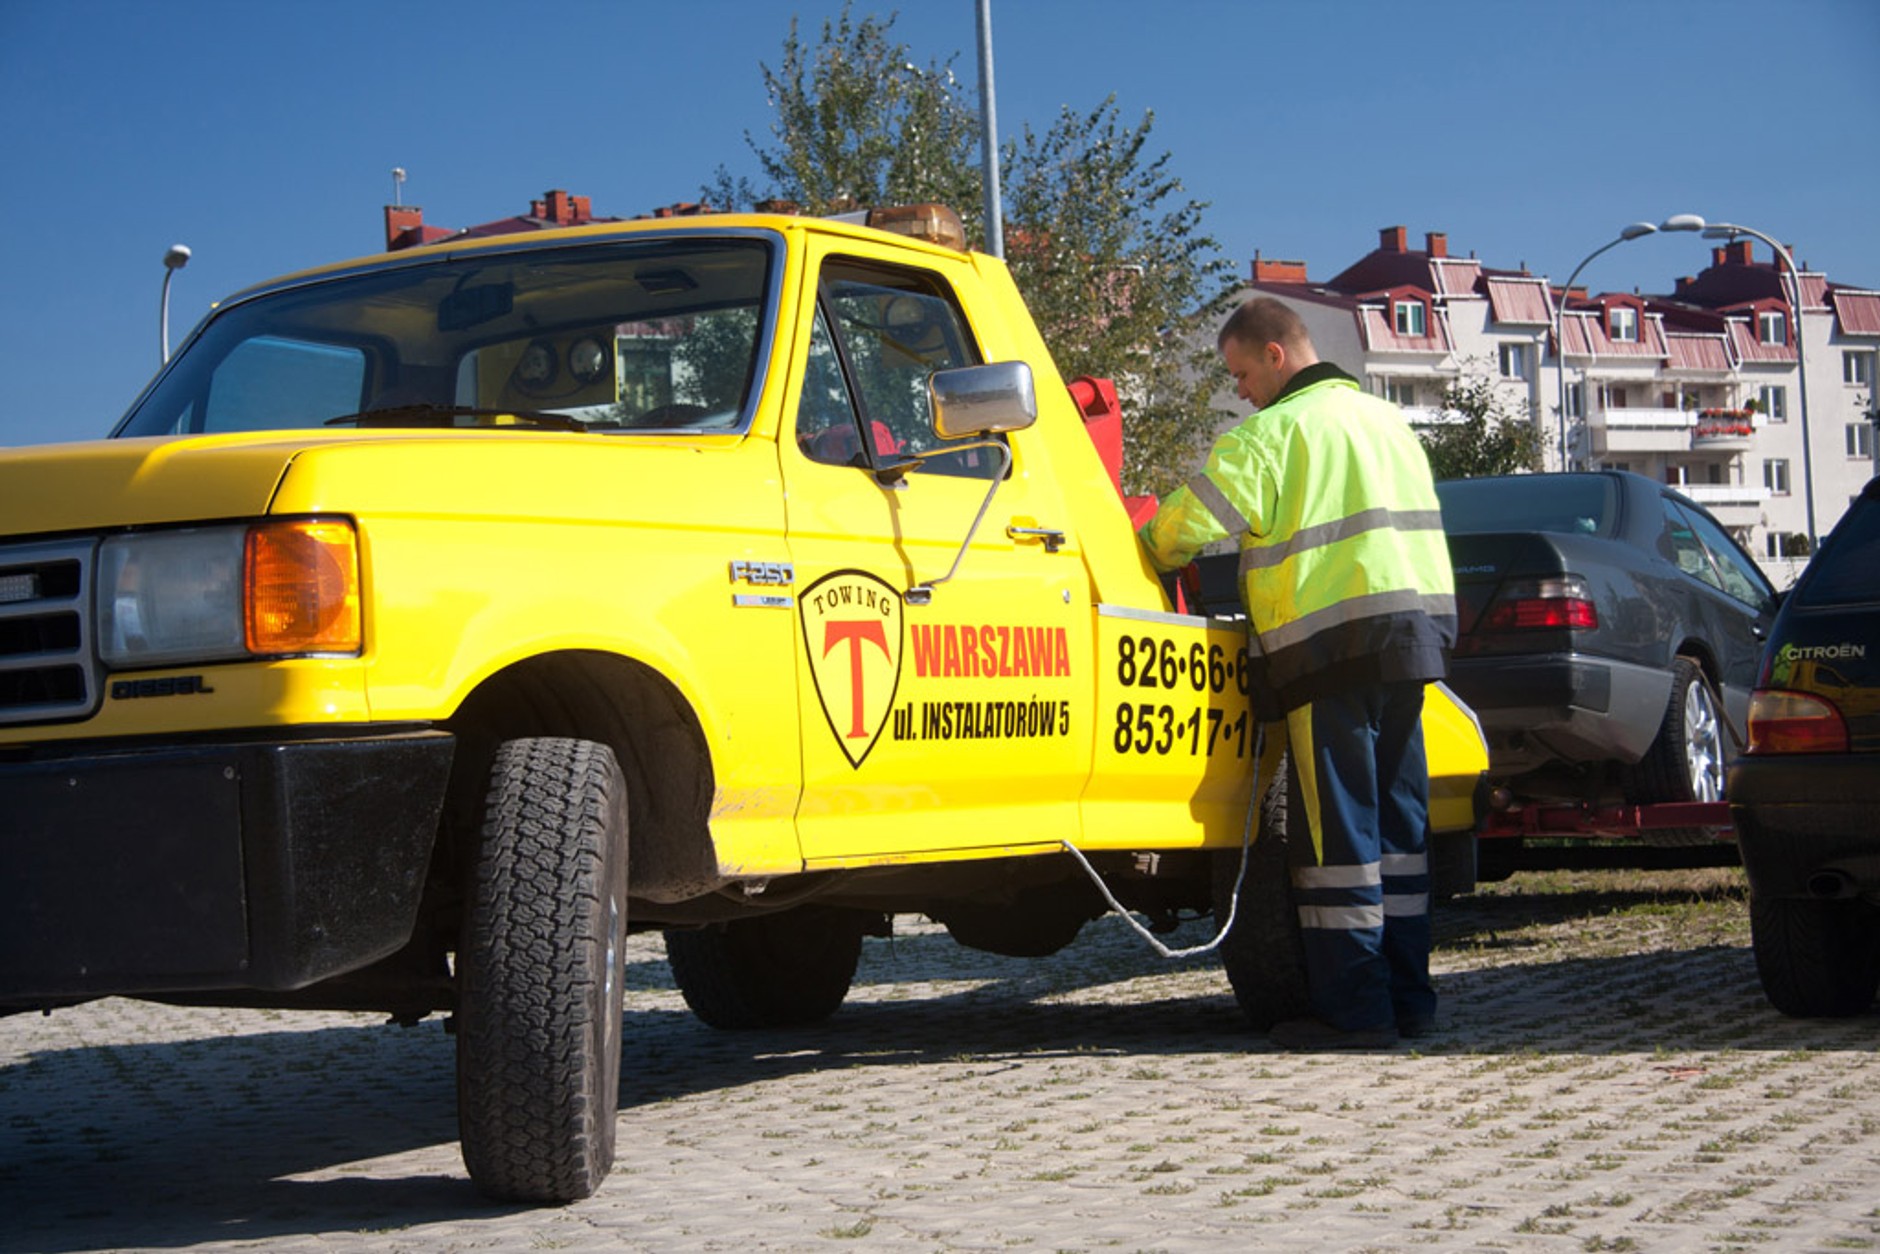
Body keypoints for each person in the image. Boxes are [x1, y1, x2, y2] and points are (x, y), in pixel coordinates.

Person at [1138, 296, 1457, 1050]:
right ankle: (1411, 1002)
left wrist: (1145, 541)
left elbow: (1190, 526)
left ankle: (1356, 1013)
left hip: (1328, 650)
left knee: (1337, 839)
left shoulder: (1273, 434)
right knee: (1400, 832)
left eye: (1241, 373)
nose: (1239, 390)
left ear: (1275, 355)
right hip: (1411, 644)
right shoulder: (1389, 424)